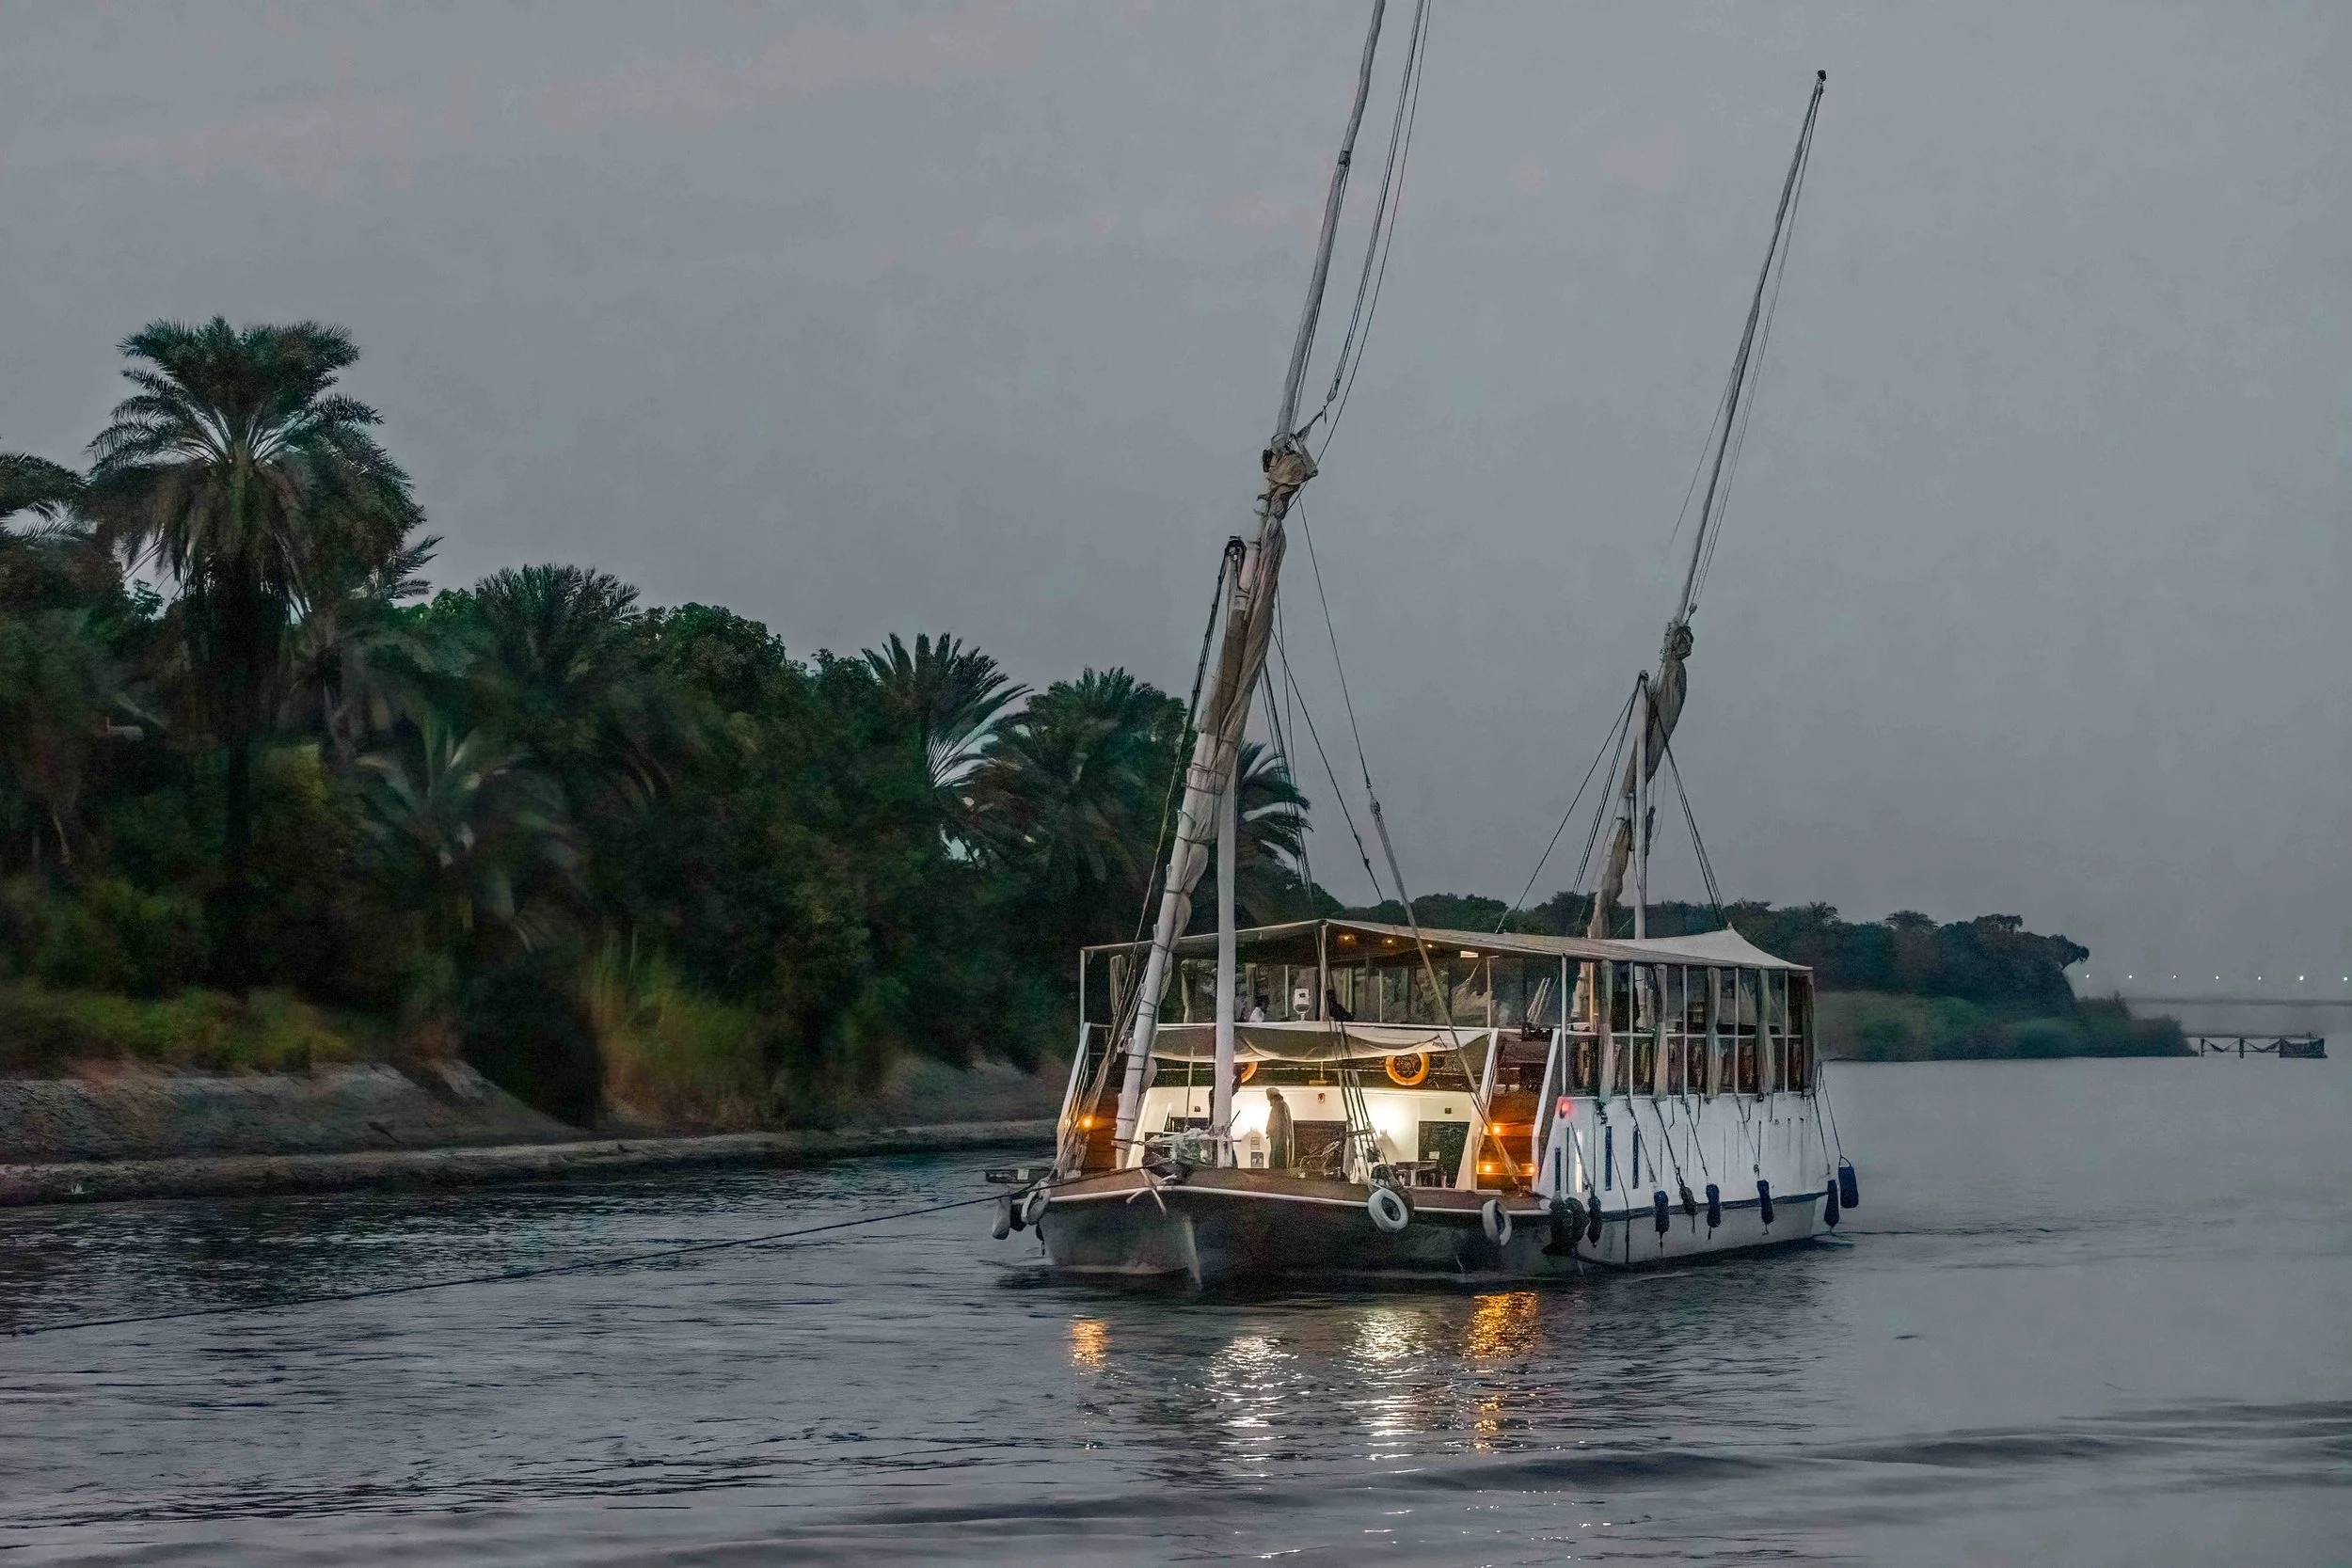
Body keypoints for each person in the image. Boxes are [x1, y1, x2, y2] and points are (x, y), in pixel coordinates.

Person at [1263, 1087, 1295, 1172]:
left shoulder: (1279, 1105)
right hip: (1279, 1135)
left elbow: (1278, 1123)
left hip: (1280, 1137)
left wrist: (1271, 1130)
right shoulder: (1280, 1105)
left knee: (1278, 1154)